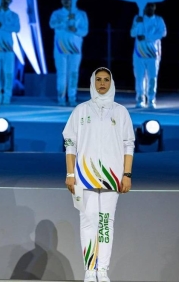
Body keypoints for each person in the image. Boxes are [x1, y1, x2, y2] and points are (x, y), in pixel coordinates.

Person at [62, 67, 134, 282]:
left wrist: (127, 174)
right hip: (84, 176)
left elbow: (128, 144)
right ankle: (89, 270)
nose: (102, 83)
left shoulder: (120, 112)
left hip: (112, 177)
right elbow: (70, 144)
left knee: (105, 223)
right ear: (92, 82)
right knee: (88, 222)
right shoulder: (81, 110)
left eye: (106, 80)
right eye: (98, 80)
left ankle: (102, 270)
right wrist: (70, 174)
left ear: (111, 83)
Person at [50, 0, 89, 106]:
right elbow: (52, 25)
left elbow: (85, 31)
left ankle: (72, 97)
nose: (66, 1)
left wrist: (75, 29)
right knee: (62, 73)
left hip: (75, 48)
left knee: (73, 73)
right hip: (60, 48)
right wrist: (67, 18)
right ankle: (61, 97)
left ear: (72, 0)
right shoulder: (57, 13)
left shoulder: (81, 14)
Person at [129, 3, 166, 109]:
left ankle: (151, 100)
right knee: (139, 77)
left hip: (153, 54)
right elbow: (132, 33)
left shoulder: (159, 20)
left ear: (154, 8)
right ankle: (140, 99)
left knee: (152, 78)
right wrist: (137, 24)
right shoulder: (137, 18)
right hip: (139, 53)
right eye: (148, 7)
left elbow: (163, 33)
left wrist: (146, 37)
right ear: (144, 8)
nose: (150, 9)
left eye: (152, 7)